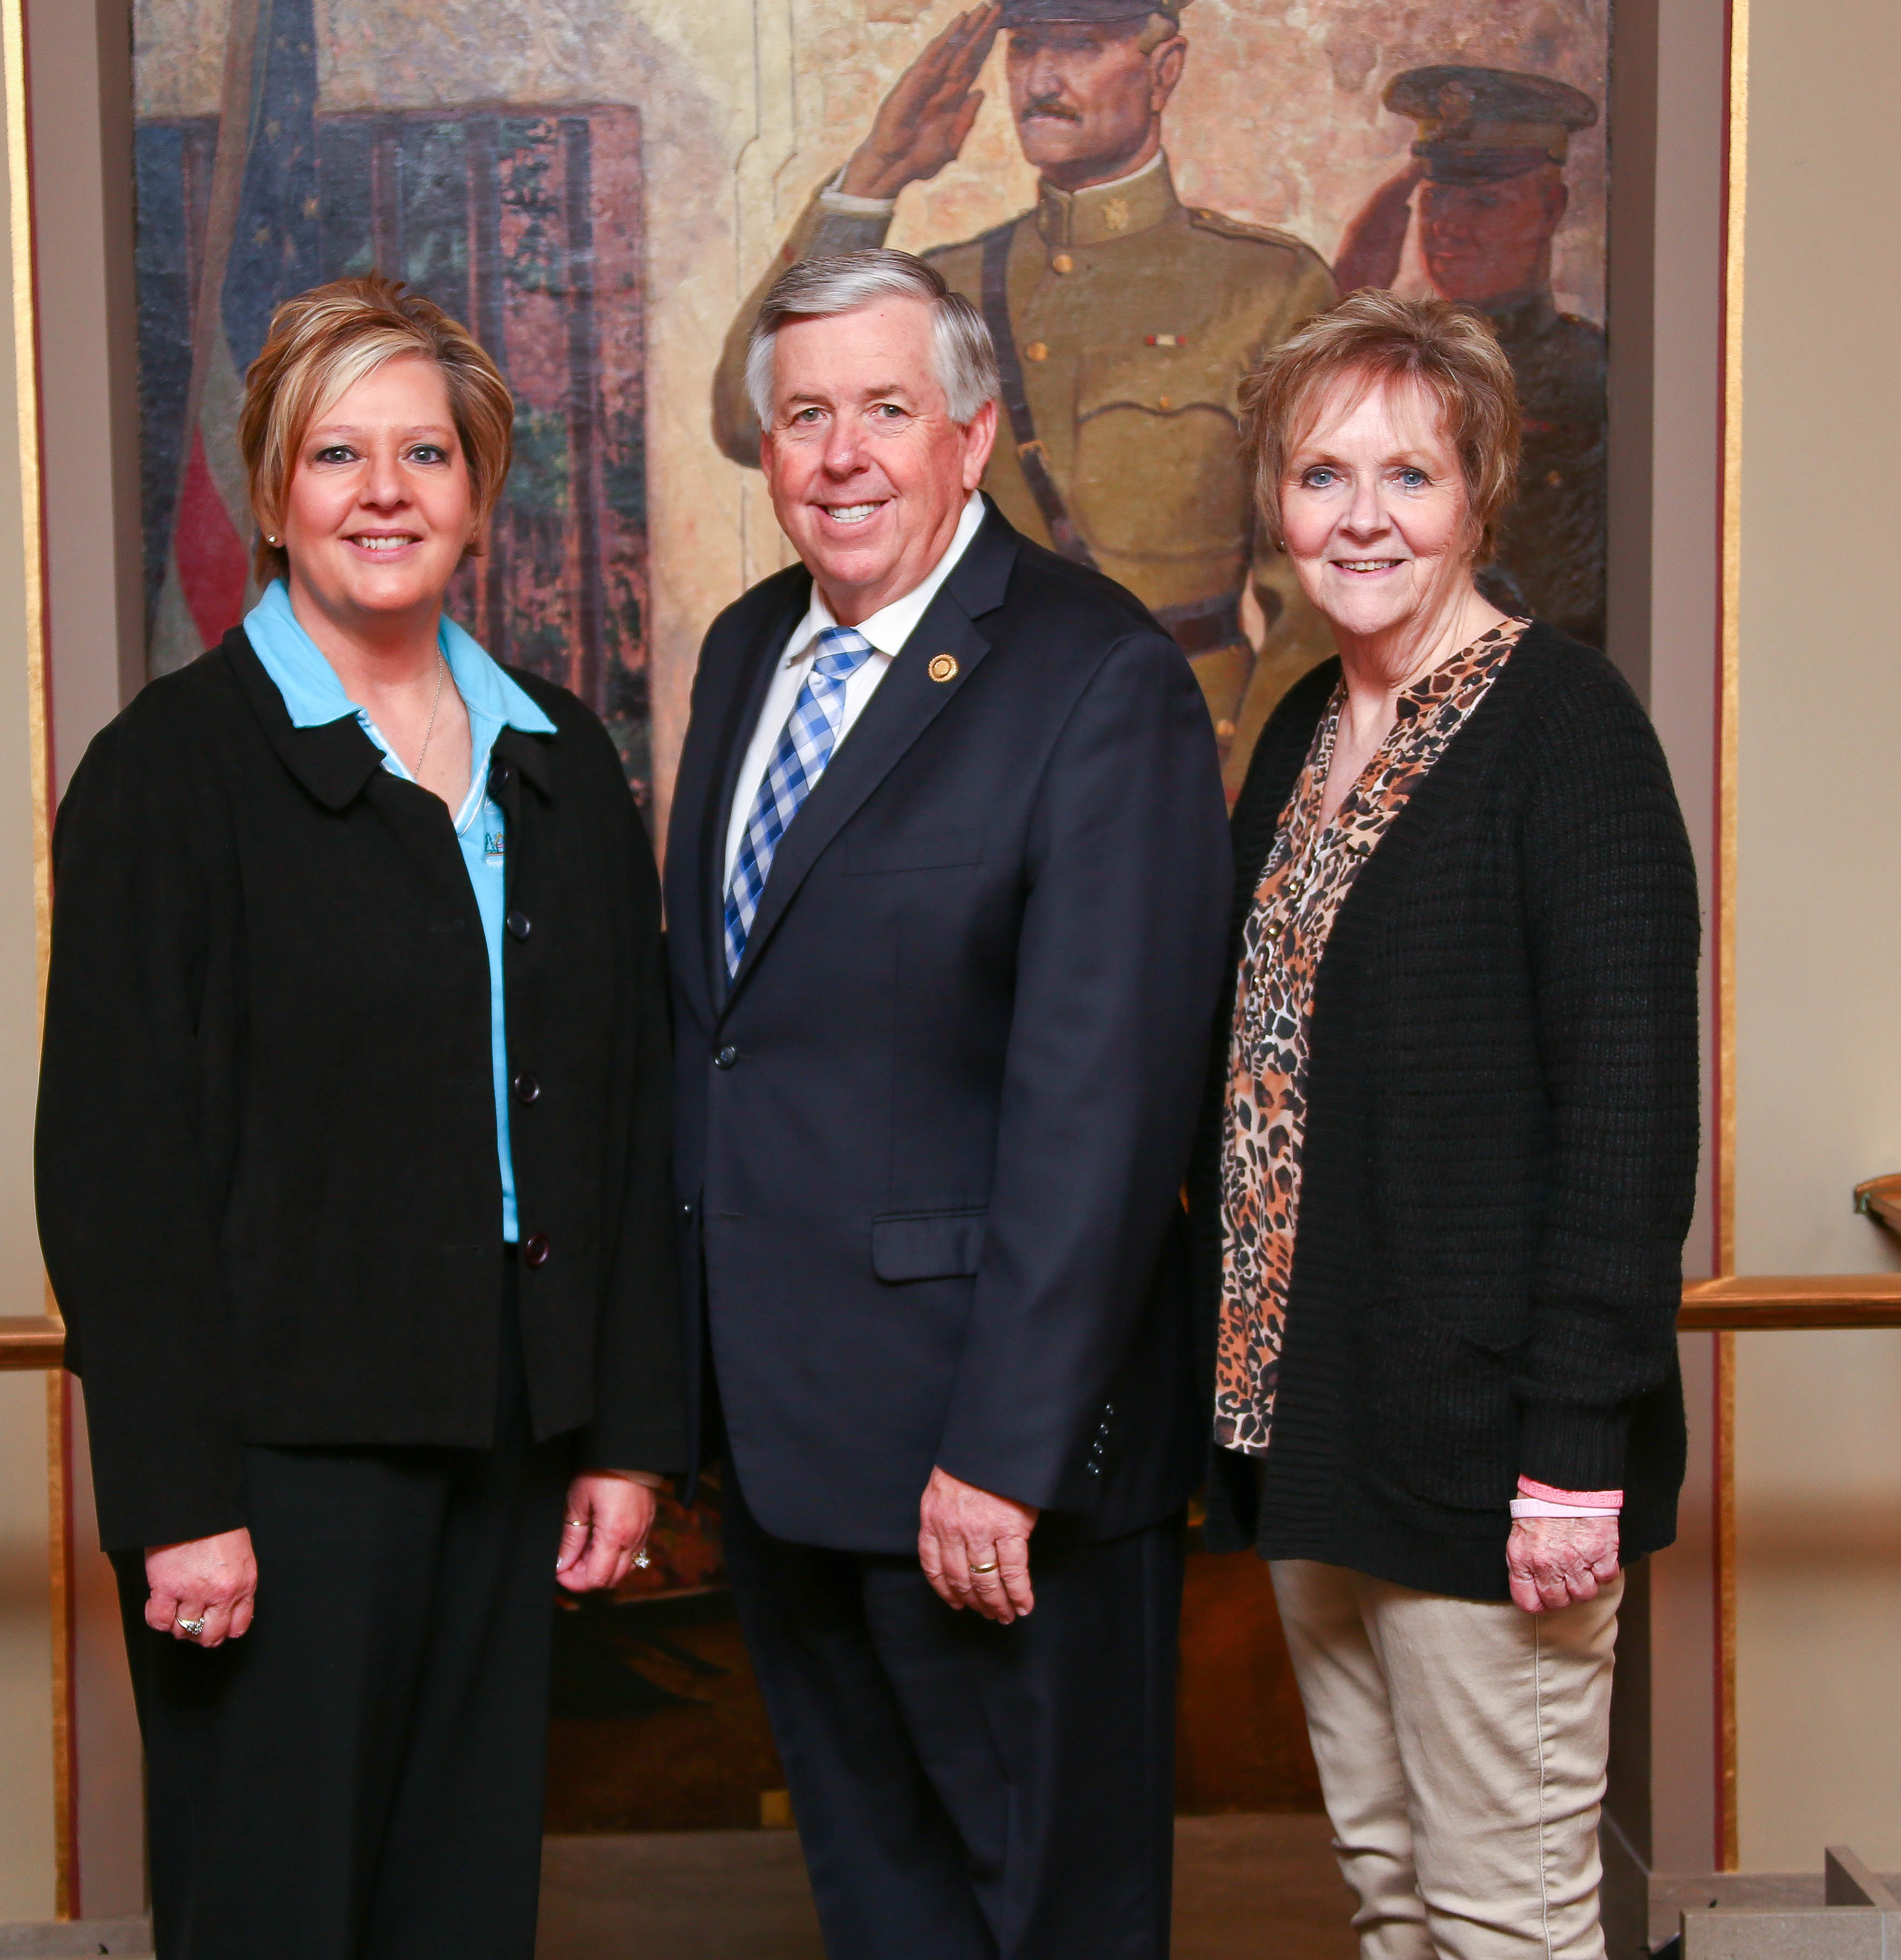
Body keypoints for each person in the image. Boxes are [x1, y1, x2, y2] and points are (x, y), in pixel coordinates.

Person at [35, 277, 681, 1960]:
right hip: (272, 1471)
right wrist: (178, 1491)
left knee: (460, 1917)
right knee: (278, 1916)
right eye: (337, 454)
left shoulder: (558, 767)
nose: (383, 490)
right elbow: (115, 1170)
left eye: (424, 453)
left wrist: (621, 1431)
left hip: (508, 1440)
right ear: (272, 492)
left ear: (476, 493)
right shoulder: (171, 774)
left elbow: (626, 1121)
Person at [669, 248, 1231, 1958]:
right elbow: (726, 1036)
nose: (839, 456)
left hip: (984, 1465)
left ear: (972, 434)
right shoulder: (749, 644)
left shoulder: (1093, 677)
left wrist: (1003, 1451)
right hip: (783, 1440)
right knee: (882, 1901)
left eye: (886, 412)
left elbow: (1107, 1107)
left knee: (1042, 1914)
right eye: (803, 416)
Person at [1189, 290, 1696, 1959]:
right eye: (1322, 474)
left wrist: (1571, 1457)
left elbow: (1625, 1127)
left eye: (1408, 475)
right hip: (1316, 1428)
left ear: (1479, 493)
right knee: (1396, 1903)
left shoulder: (1567, 735)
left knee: (1505, 1919)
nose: (1363, 517)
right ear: (1275, 500)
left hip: (1490, 1456)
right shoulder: (1300, 738)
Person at [709, 0, 1336, 794]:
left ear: (1164, 70)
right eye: (1026, 46)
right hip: (968, 756)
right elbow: (746, 416)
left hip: (1179, 759)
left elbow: (1314, 597)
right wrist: (875, 174)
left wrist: (1251, 816)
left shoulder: (1266, 289)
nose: (1041, 77)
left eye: (1079, 45)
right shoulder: (954, 286)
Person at [1332, 65, 1608, 648]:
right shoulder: (1385, 372)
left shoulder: (1594, 376)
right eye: (1435, 200)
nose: (1448, 227)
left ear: (1551, 209)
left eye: (1483, 202)